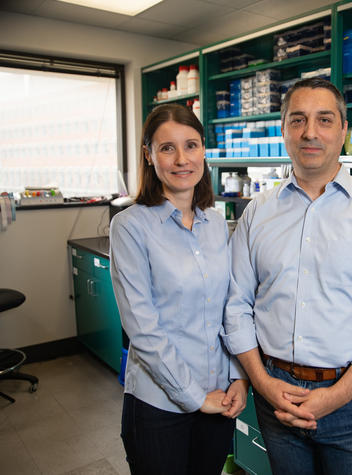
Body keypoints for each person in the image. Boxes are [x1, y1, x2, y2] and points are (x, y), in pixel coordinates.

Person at [223, 78, 352, 474]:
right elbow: (236, 305)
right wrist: (262, 382)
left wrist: (337, 395)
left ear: (343, 131)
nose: (310, 132)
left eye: (324, 120)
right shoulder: (257, 212)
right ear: (284, 130)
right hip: (275, 395)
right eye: (298, 120)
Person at [110, 103, 248, 475]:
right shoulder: (130, 227)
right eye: (167, 148)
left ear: (204, 150)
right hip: (159, 406)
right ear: (148, 155)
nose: (181, 159)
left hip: (218, 398)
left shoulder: (217, 225)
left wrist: (239, 377)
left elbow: (231, 309)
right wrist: (193, 397)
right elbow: (143, 329)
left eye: (191, 145)